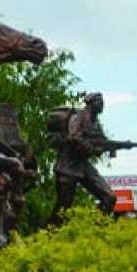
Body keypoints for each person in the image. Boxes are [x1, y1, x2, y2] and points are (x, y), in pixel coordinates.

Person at [49, 92, 117, 223]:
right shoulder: (78, 117)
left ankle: (94, 228)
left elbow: (101, 141)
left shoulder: (95, 122)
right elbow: (75, 137)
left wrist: (109, 147)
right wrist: (91, 149)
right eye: (100, 103)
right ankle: (48, 235)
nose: (102, 106)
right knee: (63, 209)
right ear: (93, 104)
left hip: (83, 166)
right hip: (67, 167)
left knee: (110, 197)